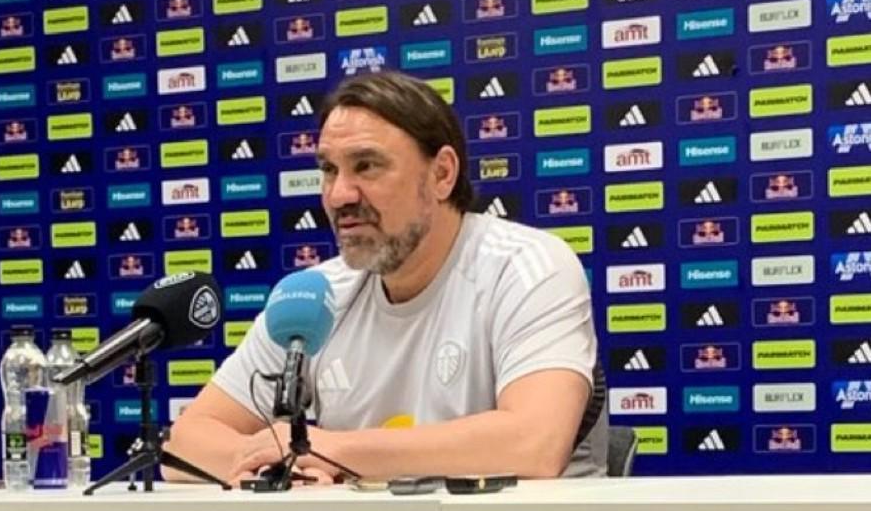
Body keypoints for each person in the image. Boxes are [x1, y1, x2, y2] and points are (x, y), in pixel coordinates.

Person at [164, 70, 606, 485]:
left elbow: (534, 444)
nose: (339, 195)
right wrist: (271, 465)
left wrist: (329, 450)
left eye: (367, 166)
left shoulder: (526, 266)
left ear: (442, 174)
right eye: (329, 170)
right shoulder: (316, 296)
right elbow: (183, 443)